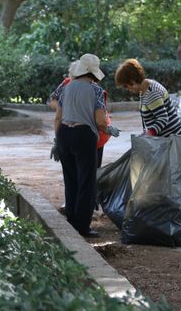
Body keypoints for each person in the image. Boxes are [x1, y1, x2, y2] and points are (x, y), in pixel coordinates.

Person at [54, 53, 119, 238]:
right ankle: (82, 226)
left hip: (64, 134)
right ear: (93, 73)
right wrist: (109, 129)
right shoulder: (96, 90)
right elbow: (99, 120)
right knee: (86, 182)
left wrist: (57, 140)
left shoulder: (66, 88)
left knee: (71, 179)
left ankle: (71, 222)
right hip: (84, 136)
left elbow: (57, 116)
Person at [114, 58, 181, 137]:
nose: (127, 89)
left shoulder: (151, 93)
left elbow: (163, 118)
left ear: (132, 81)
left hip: (174, 139)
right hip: (167, 138)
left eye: (126, 86)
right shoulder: (145, 88)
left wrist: (149, 134)